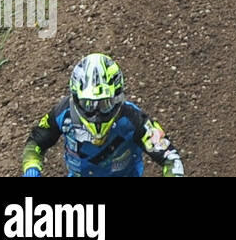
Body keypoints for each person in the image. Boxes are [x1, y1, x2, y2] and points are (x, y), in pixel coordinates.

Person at [22, 53, 184, 177]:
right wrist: (31, 166)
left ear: (117, 98)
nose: (96, 113)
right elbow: (36, 140)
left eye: (104, 104)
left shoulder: (132, 118)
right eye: (88, 104)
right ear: (76, 98)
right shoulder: (63, 113)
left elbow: (170, 157)